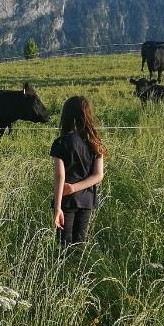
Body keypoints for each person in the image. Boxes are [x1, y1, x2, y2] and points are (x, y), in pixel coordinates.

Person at [51, 95, 106, 247]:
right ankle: (79, 271)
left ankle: (65, 271)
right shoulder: (95, 142)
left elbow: (59, 175)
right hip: (87, 201)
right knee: (80, 245)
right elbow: (98, 175)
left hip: (66, 202)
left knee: (64, 245)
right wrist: (76, 188)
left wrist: (57, 207)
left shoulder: (61, 142)